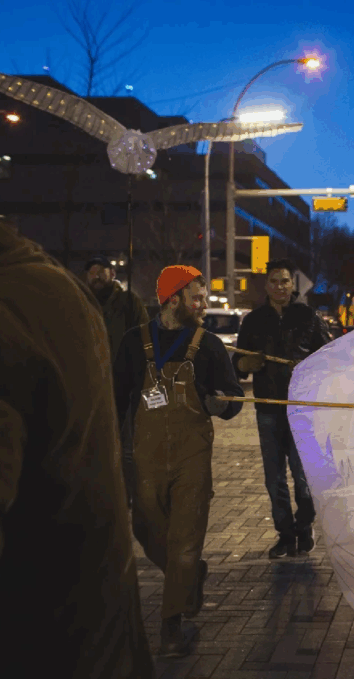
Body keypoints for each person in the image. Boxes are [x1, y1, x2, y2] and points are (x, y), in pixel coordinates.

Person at [0, 215, 154, 677]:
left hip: (39, 643)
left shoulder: (2, 306)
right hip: (90, 638)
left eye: (104, 271)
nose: (99, 275)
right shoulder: (52, 286)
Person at [114, 264, 244, 658]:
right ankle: (189, 576)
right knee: (145, 529)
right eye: (197, 298)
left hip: (192, 458)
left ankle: (171, 627)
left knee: (185, 541)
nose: (203, 305)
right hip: (146, 457)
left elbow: (233, 397)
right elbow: (115, 398)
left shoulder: (209, 345)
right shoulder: (134, 341)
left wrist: (223, 405)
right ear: (173, 300)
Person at [233, 259, 332, 559]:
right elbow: (237, 364)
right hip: (268, 408)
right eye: (274, 281)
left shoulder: (308, 317)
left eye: (285, 281)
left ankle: (304, 527)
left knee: (304, 477)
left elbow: (328, 358)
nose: (280, 286)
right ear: (267, 285)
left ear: (292, 284)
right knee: (274, 478)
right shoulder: (253, 320)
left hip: (301, 409)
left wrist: (309, 367)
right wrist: (246, 363)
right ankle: (285, 535)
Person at [85, 255, 150, 506]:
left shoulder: (128, 301)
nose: (96, 276)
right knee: (97, 444)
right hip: (93, 386)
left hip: (124, 384)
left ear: (112, 274)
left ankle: (128, 497)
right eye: (92, 272)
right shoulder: (83, 300)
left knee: (127, 447)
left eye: (101, 271)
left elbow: (144, 336)